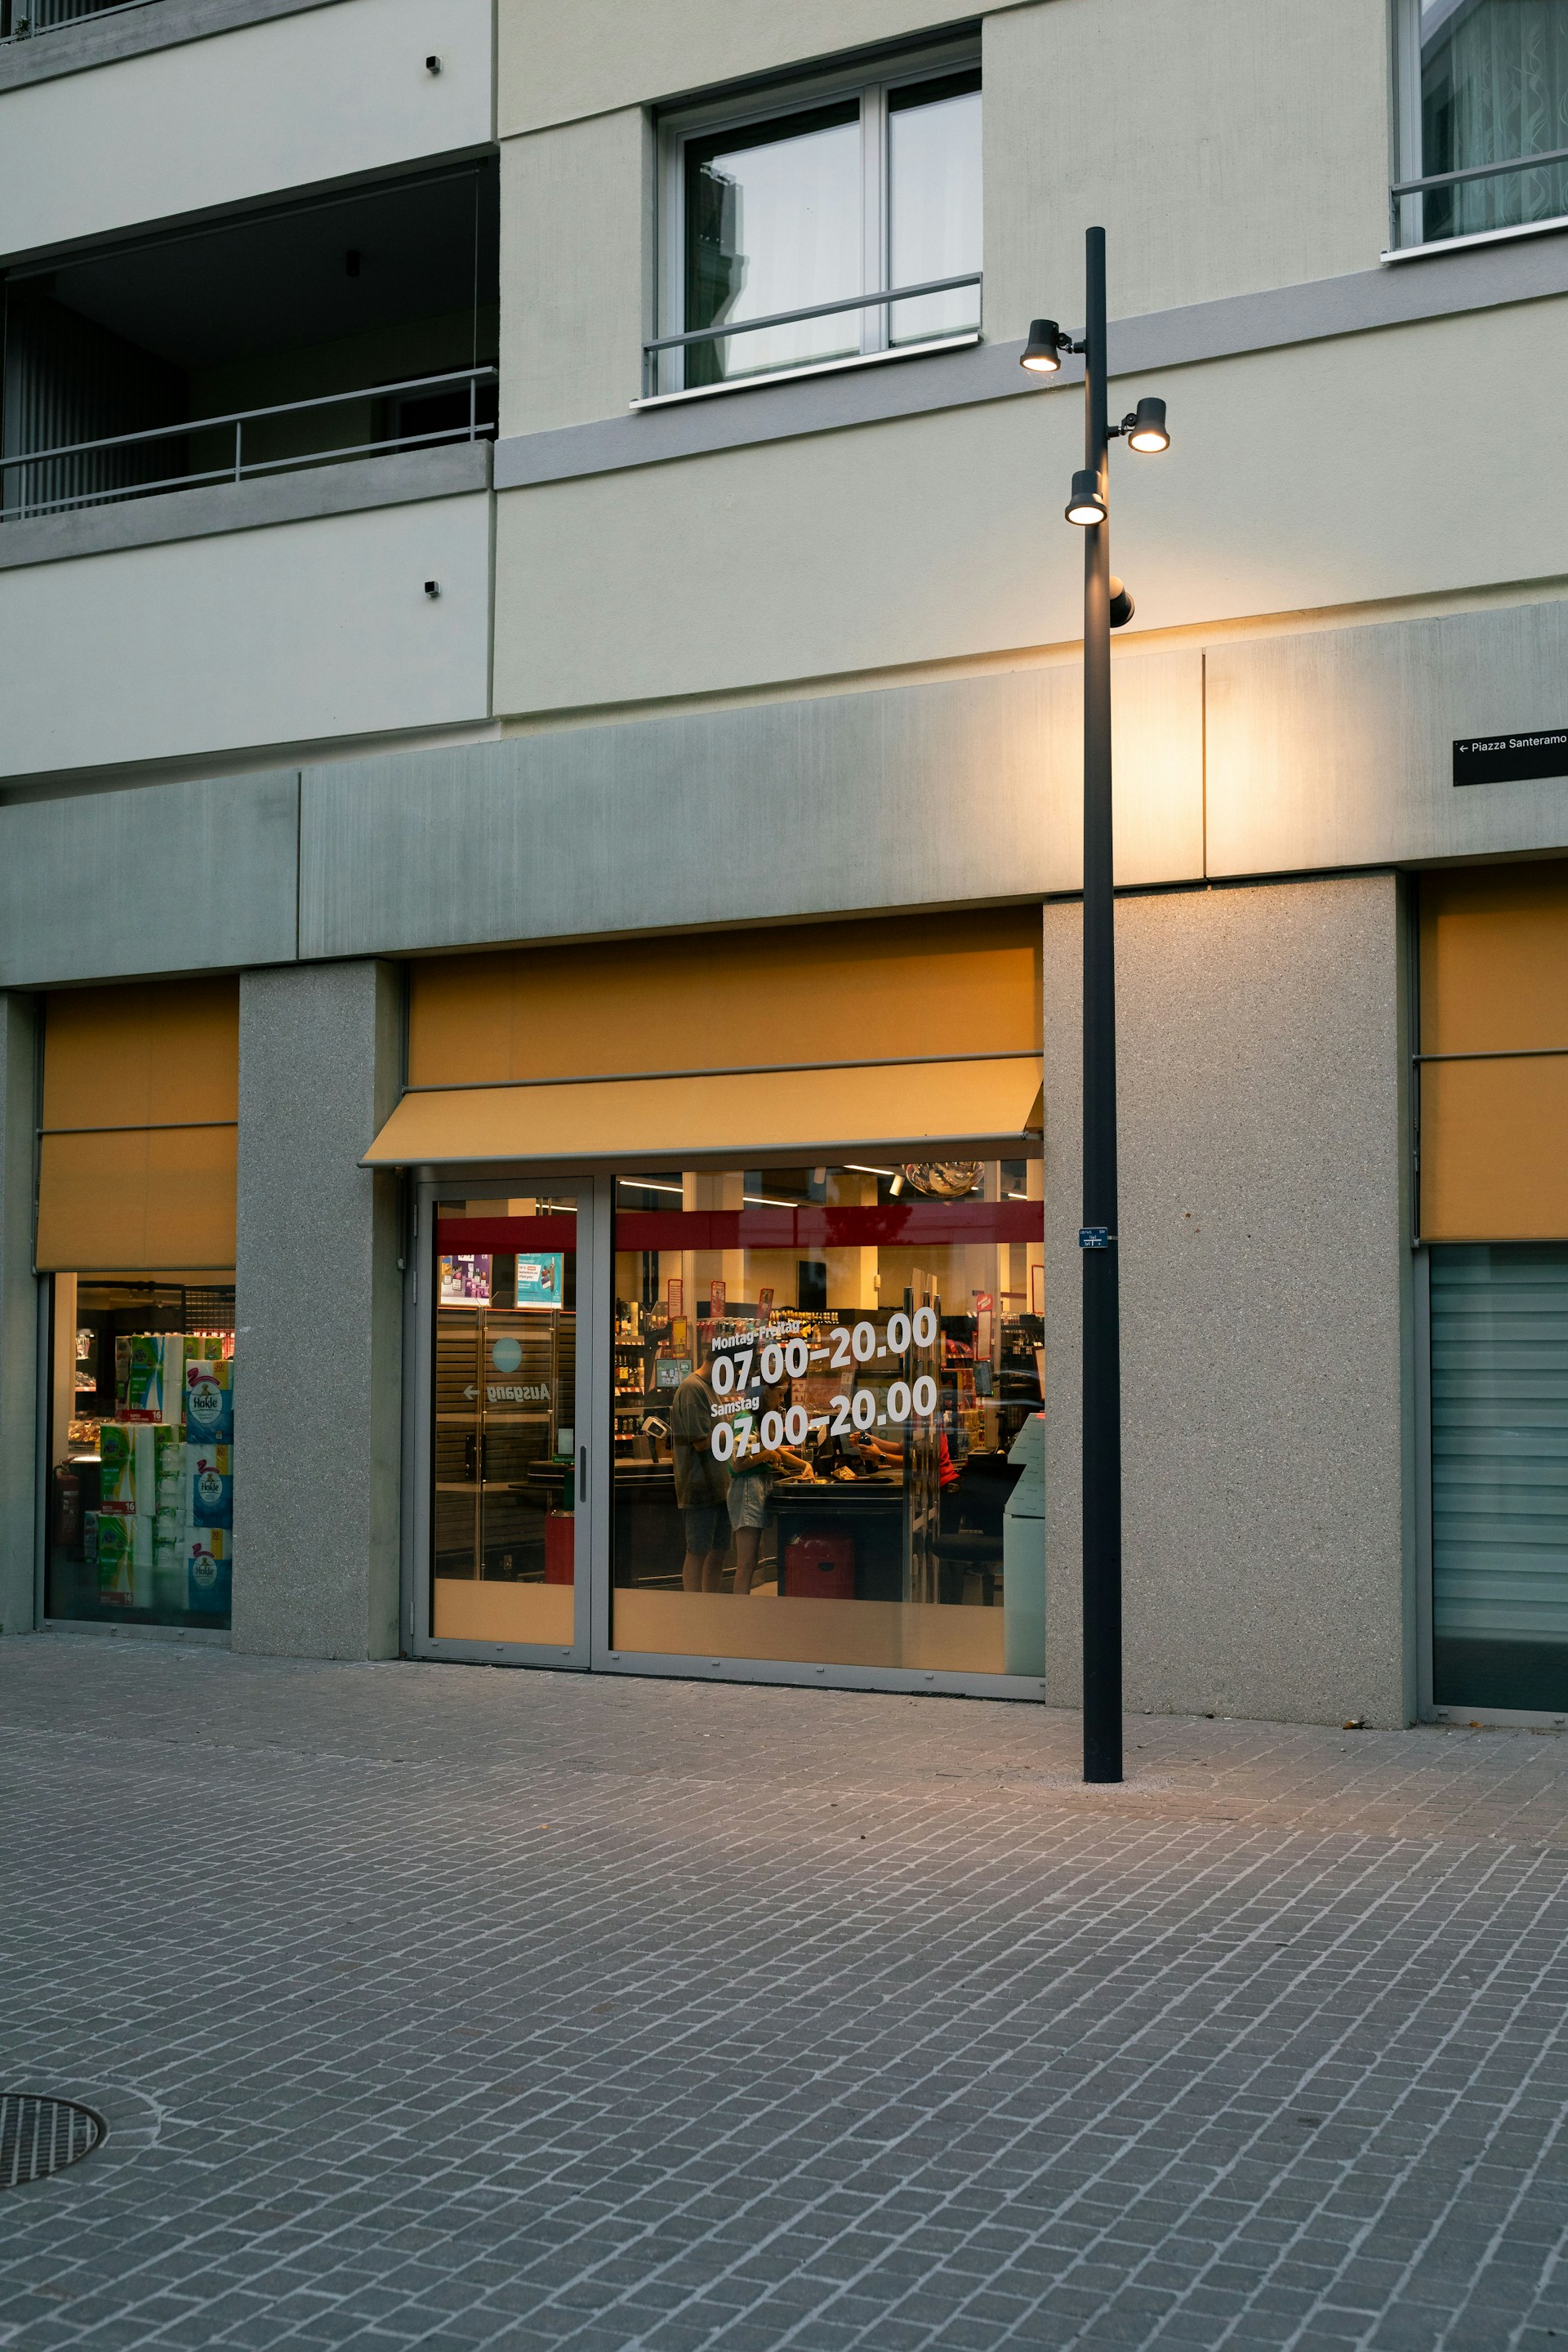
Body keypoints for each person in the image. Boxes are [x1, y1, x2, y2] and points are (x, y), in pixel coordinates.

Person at [727, 1365, 810, 1596]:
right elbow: (738, 1463)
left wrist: (805, 1465)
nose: (782, 1399)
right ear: (764, 1391)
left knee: (752, 1560)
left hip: (757, 1486)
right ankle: (740, 1613)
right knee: (747, 1562)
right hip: (747, 1488)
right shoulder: (746, 1418)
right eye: (780, 1393)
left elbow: (775, 1451)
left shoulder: (759, 1418)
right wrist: (767, 1455)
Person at [670, 1338, 730, 1591]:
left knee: (718, 1552)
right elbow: (702, 1441)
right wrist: (737, 1430)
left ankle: (710, 1607)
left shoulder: (712, 1388)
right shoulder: (692, 1389)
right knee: (697, 1552)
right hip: (700, 1487)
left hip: (719, 1487)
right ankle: (693, 1609)